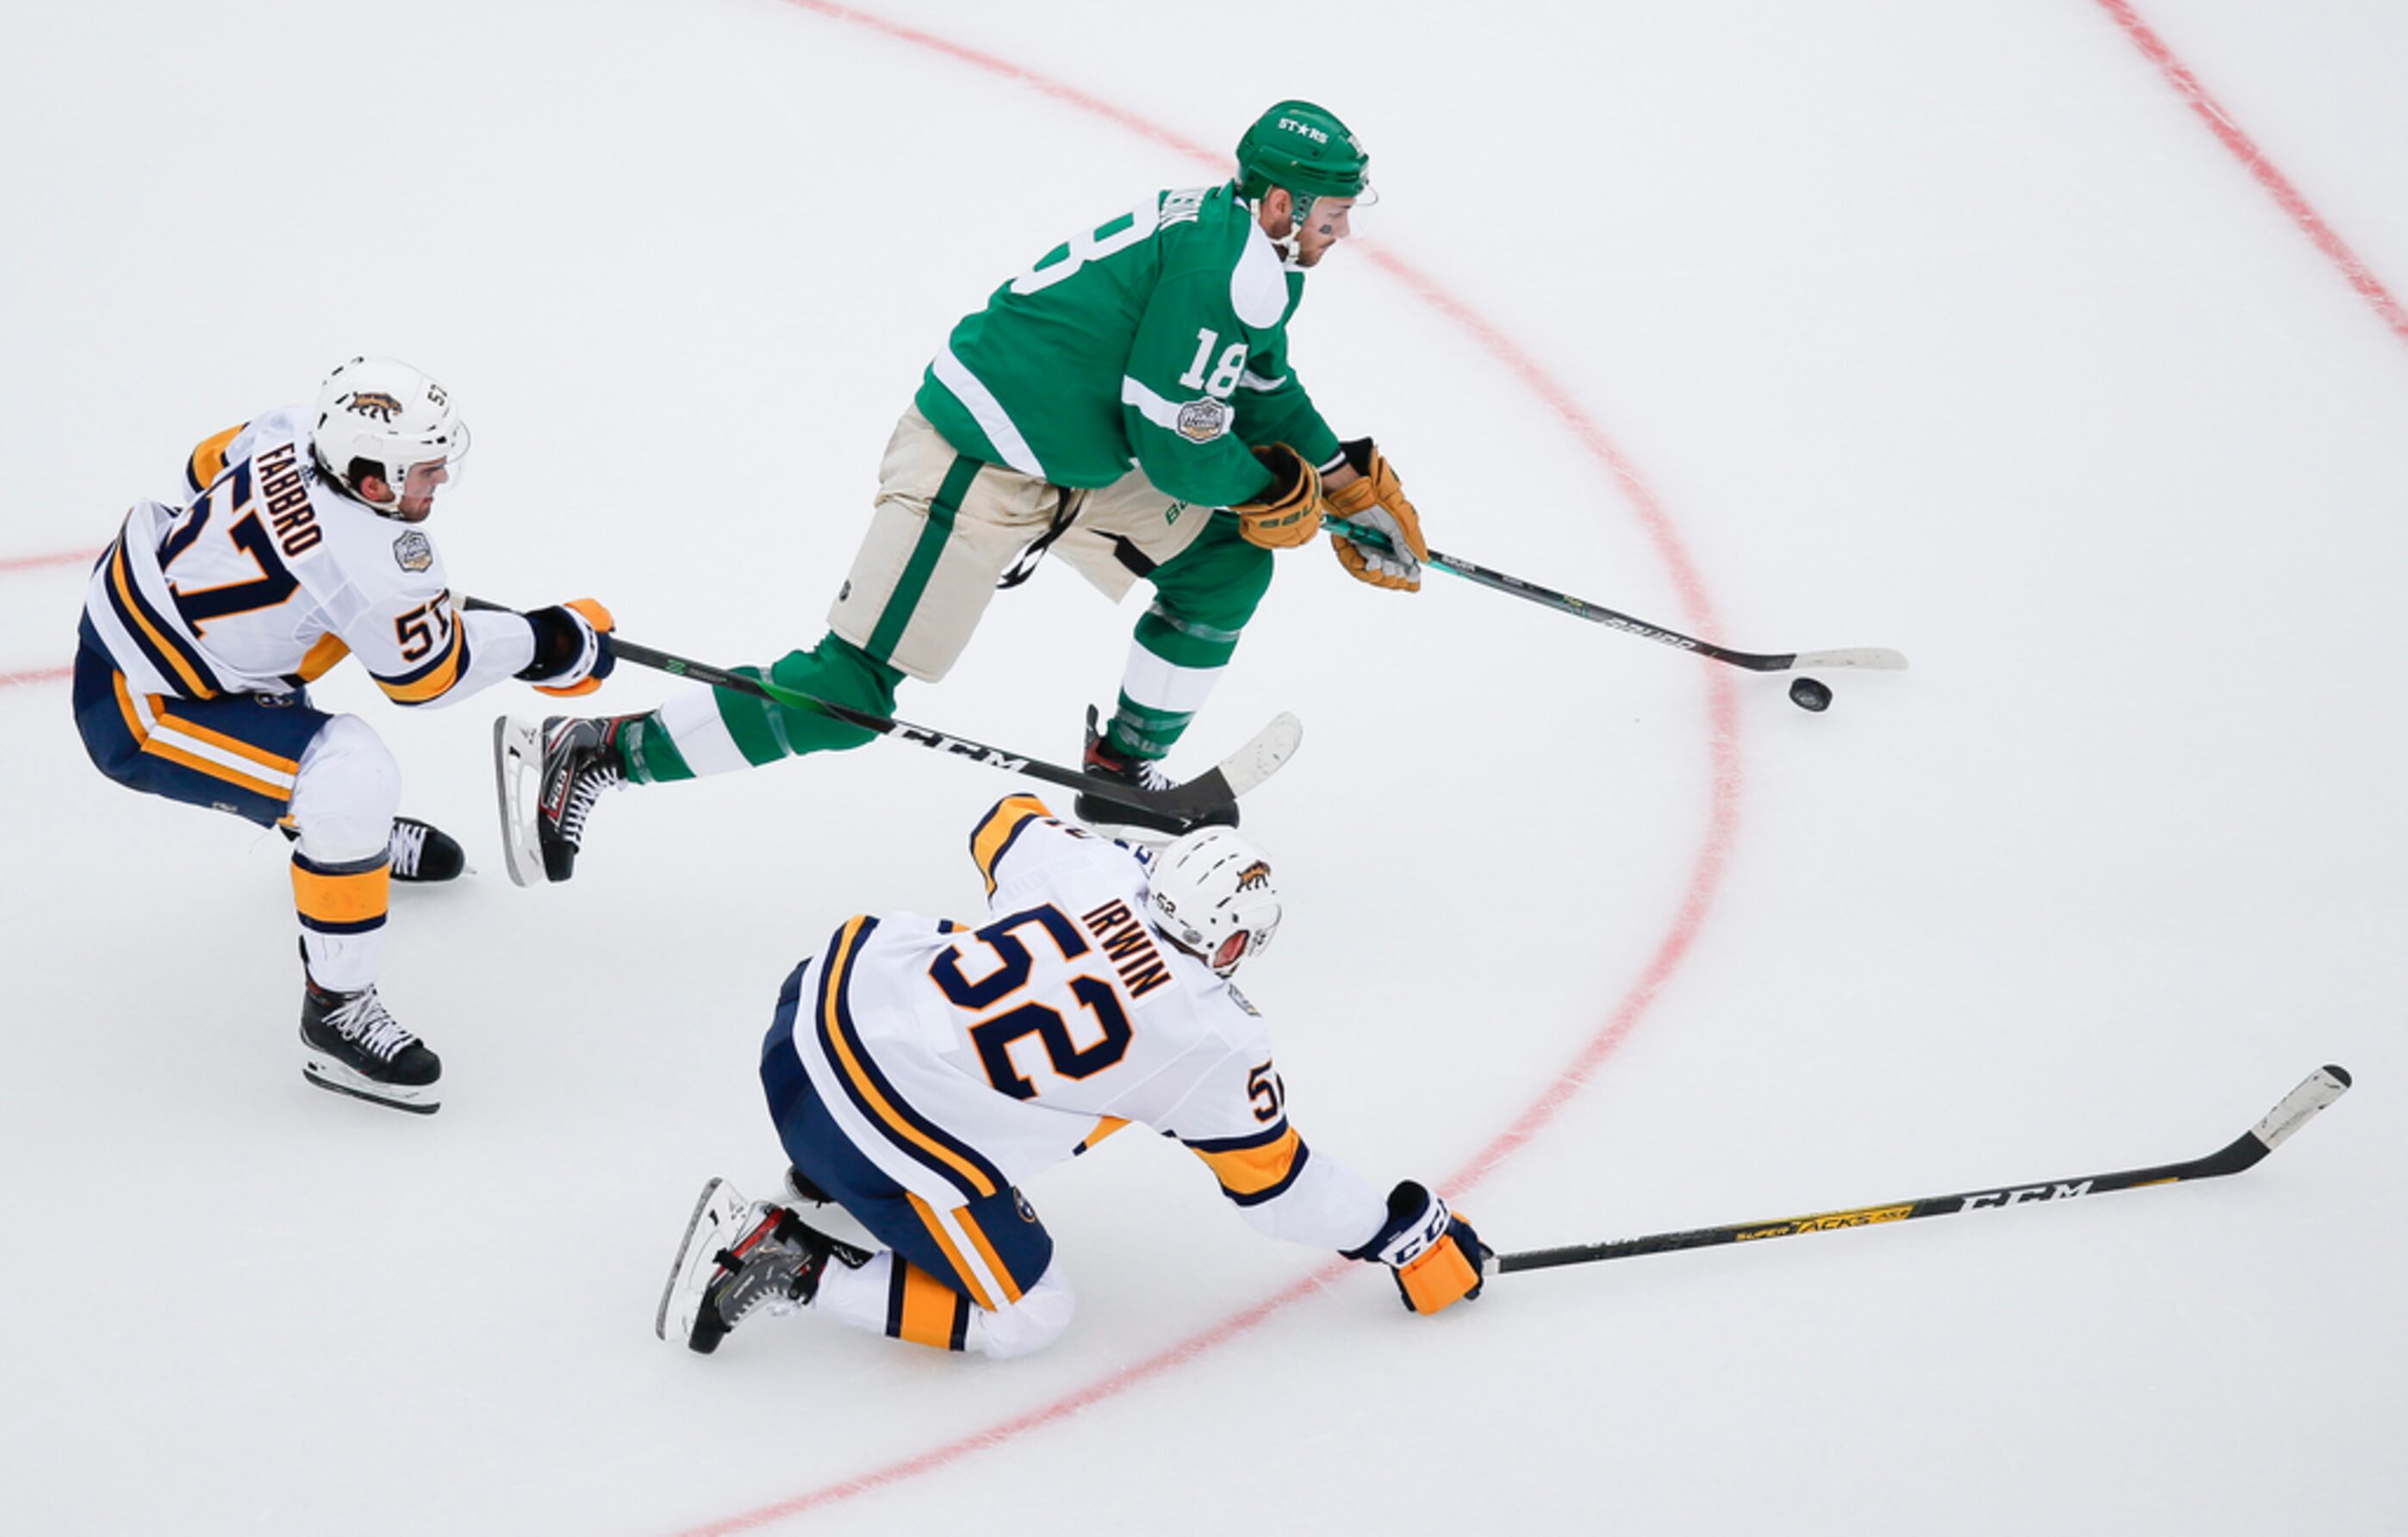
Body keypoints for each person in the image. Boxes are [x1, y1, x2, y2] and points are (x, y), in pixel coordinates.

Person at [500, 98, 1429, 887]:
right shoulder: (1217, 268)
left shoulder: (1249, 256)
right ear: (1278, 201)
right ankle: (593, 752)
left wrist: (1341, 482)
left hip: (1071, 463)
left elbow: (1258, 384)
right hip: (974, 466)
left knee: (1222, 563)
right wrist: (1270, 487)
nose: (1339, 232)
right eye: (1330, 213)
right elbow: (1177, 445)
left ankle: (1119, 776)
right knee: (846, 696)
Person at [655, 793, 1486, 1360]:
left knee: (982, 955)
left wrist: (1125, 845)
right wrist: (1402, 1234)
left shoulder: (1094, 870)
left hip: (806, 1016)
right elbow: (1280, 1189)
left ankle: (838, 1172)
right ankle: (779, 1261)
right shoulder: (1211, 1040)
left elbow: (1001, 820)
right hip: (866, 1137)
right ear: (1236, 941)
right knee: (1029, 1317)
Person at [72, 357, 616, 1113]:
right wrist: (551, 642)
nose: (441, 484)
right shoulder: (380, 563)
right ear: (370, 482)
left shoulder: (297, 429)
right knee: (349, 775)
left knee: (331, 754)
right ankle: (335, 1011)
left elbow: (205, 462)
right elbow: (429, 677)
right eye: (425, 472)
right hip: (147, 705)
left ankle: (340, 847)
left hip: (184, 648)